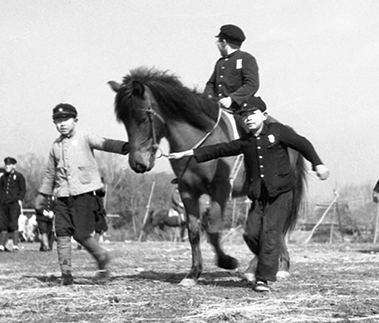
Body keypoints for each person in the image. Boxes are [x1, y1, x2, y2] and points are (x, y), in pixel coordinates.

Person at [168, 96, 330, 293]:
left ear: (264, 115)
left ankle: (263, 279)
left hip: (280, 193)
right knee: (251, 234)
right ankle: (265, 259)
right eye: (245, 116)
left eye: (252, 114)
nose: (249, 119)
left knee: (269, 233)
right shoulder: (246, 141)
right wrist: (189, 154)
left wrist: (317, 163)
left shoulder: (278, 132)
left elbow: (302, 143)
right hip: (259, 194)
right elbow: (220, 149)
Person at [36, 103, 129, 285]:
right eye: (58, 121)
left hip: (85, 193)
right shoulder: (55, 146)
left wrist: (127, 147)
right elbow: (50, 174)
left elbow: (105, 143)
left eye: (66, 120)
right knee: (61, 232)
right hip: (62, 195)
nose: (62, 124)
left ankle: (101, 256)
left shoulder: (85, 137)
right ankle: (66, 275)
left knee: (80, 233)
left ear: (75, 121)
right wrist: (43, 194)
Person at [203, 24, 259, 112]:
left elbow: (252, 84)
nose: (217, 44)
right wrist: (207, 100)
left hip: (238, 110)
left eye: (218, 41)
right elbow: (211, 84)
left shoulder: (246, 58)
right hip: (218, 108)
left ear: (224, 42)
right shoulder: (220, 62)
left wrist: (232, 99)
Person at [0, 157, 26, 252]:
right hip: (4, 203)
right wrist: (0, 200)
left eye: (9, 165)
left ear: (14, 165)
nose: (7, 166)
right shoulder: (3, 177)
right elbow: (0, 190)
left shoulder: (19, 176)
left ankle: (15, 245)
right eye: (6, 165)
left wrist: (20, 200)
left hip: (14, 203)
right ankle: (1, 244)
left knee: (13, 223)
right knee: (3, 224)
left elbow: (22, 189)